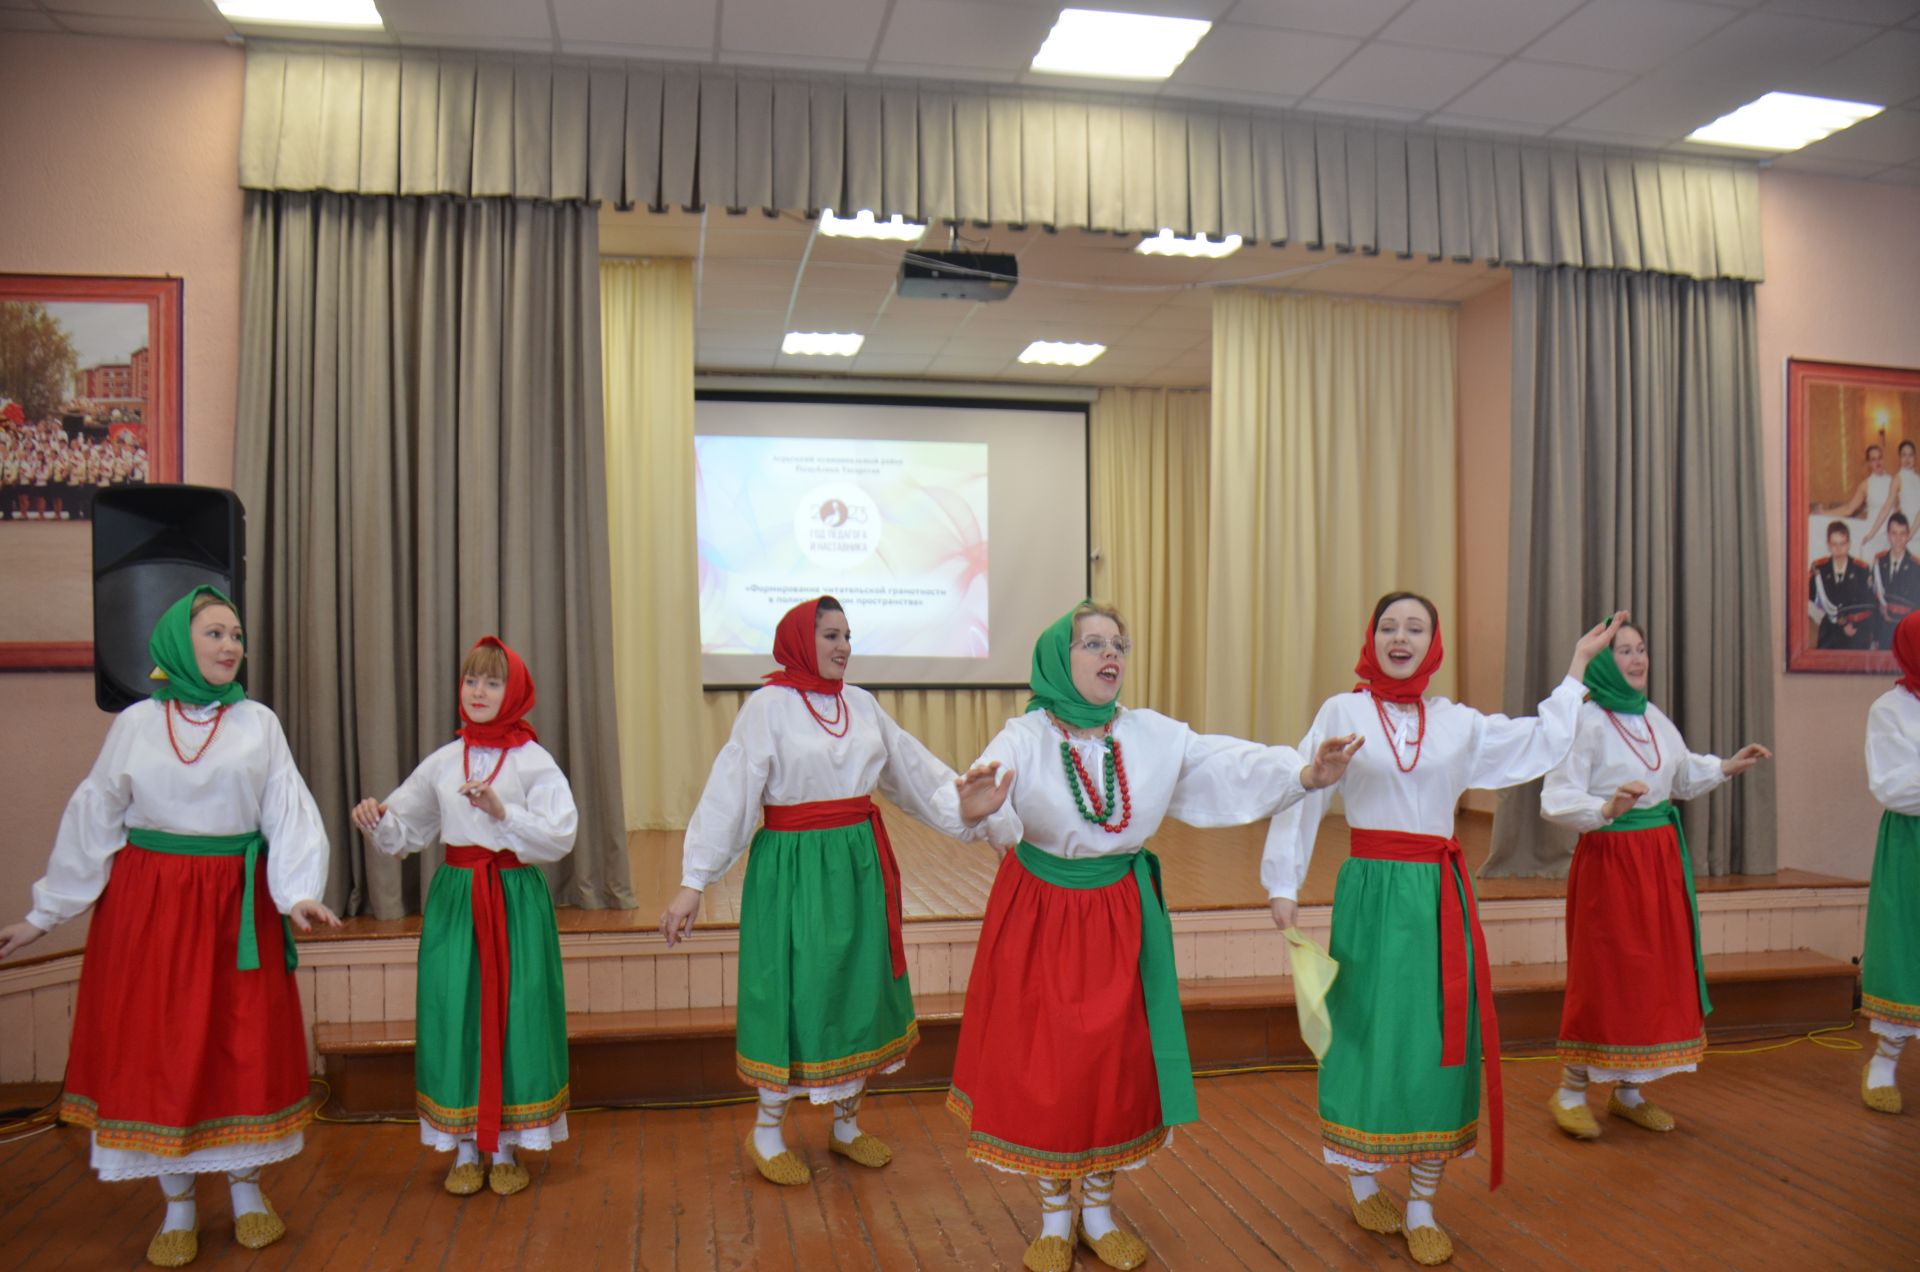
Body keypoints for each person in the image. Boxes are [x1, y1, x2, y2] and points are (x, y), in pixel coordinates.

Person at [947, 601, 1360, 1272]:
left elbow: (1224, 763)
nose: (1110, 653)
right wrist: (970, 809)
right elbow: (983, 787)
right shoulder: (1024, 737)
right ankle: (1055, 1219)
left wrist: (1304, 773)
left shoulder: (1150, 736)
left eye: (1119, 643)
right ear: (1061, 657)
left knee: (1114, 1062)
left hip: (1119, 914)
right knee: (1052, 1066)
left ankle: (1101, 1213)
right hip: (1043, 915)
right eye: (1093, 643)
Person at [1260, 595, 1625, 1267]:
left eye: (1416, 627)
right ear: (1372, 637)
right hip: (1371, 892)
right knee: (1366, 1033)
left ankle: (1424, 1202)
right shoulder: (1343, 712)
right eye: (1389, 626)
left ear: (1434, 643)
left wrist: (1577, 665)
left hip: (1440, 896)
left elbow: (1540, 740)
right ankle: (1365, 1178)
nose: (1401, 637)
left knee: (1440, 1038)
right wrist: (1284, 883)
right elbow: (1306, 788)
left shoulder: (1457, 724)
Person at [0, 586, 340, 1269]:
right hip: (149, 908)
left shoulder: (258, 723)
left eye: (236, 634)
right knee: (160, 1046)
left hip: (234, 907)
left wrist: (298, 893)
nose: (230, 646)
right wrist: (44, 913)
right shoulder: (133, 724)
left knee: (238, 1042)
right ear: (178, 645)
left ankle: (248, 1193)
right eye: (215, 633)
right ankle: (178, 1202)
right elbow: (95, 813)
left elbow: (287, 809)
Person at [660, 597, 968, 1185]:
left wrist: (980, 817)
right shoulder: (768, 708)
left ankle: (847, 1126)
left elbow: (915, 774)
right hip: (795, 871)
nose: (843, 646)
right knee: (797, 994)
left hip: (857, 865)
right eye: (830, 635)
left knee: (857, 988)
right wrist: (692, 882)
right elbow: (731, 794)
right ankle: (768, 1131)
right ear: (802, 639)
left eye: (848, 635)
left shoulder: (862, 704)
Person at [351, 636, 575, 1197]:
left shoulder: (533, 760)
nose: (478, 691)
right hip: (457, 900)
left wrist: (505, 813)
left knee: (514, 1013)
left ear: (515, 691)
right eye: (471, 680)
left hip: (513, 898)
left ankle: (507, 1148)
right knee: (459, 1012)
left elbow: (560, 835)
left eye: (492, 681)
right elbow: (408, 829)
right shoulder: (445, 760)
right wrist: (377, 819)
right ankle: (467, 1148)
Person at [1540, 620, 1771, 1139]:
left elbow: (1681, 774)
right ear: (1602, 661)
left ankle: (1628, 1092)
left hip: (1659, 860)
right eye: (1624, 651)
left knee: (1650, 973)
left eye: (1642, 649)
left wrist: (1727, 767)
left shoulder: (1653, 717)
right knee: (1607, 973)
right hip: (1611, 860)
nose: (1638, 659)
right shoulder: (1587, 721)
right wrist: (1605, 807)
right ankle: (1571, 1089)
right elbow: (1554, 798)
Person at [1861, 611, 1920, 1114]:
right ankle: (1884, 1060)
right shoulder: (1890, 710)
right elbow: (1893, 786)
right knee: (1906, 946)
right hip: (1913, 841)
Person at [1809, 521, 1875, 650]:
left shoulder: (1861, 569)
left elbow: (1868, 604)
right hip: (1830, 632)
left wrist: (1854, 625)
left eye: (1842, 544)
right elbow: (1811, 598)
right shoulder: (1820, 569)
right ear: (1828, 545)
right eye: (1834, 544)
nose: (1838, 549)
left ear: (1849, 544)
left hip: (1855, 631)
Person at [1875, 513, 1920, 649]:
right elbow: (1873, 597)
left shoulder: (1915, 567)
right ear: (1888, 535)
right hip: (1882, 630)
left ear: (1908, 535)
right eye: (1894, 533)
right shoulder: (1879, 562)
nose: (1898, 538)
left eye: (1902, 534)